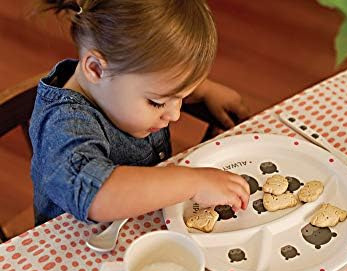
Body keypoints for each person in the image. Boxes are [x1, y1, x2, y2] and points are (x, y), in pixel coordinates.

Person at [30, 0, 251, 226]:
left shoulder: (120, 80)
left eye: (180, 97)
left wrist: (203, 90)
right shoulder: (63, 125)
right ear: (95, 69)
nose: (175, 114)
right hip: (76, 249)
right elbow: (97, 195)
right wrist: (194, 183)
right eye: (157, 102)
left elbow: (160, 79)